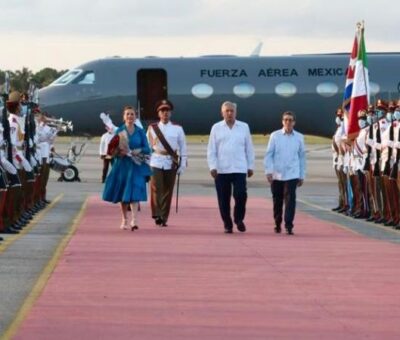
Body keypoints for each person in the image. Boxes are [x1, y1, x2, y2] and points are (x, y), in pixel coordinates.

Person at [207, 101, 255, 234]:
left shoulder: (244, 127)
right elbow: (211, 149)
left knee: (241, 195)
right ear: (222, 113)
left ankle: (238, 219)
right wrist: (213, 166)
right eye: (227, 111)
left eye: (232, 111)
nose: (229, 113)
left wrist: (250, 166)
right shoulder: (216, 128)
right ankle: (227, 223)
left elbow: (249, 148)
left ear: (236, 112)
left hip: (239, 167)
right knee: (223, 199)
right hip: (221, 169)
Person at [102, 106, 151, 231]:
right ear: (124, 117)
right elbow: (112, 149)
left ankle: (134, 220)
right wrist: (119, 152)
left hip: (136, 165)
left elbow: (147, 148)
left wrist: (139, 150)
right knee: (123, 193)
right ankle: (124, 219)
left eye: (132, 114)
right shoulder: (120, 131)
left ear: (135, 117)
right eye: (127, 114)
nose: (130, 116)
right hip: (122, 165)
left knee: (134, 192)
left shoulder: (140, 131)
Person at [147, 99, 187, 227]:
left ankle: (164, 217)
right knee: (156, 188)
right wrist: (145, 163)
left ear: (170, 113)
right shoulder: (152, 128)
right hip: (156, 160)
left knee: (168, 190)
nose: (165, 113)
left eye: (167, 111)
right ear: (158, 113)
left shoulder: (178, 129)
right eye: (162, 111)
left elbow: (183, 146)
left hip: (171, 161)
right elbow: (147, 146)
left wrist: (183, 163)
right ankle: (157, 213)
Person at [264, 111, 306, 235]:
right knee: (277, 200)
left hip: (292, 174)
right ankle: (277, 222)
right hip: (277, 174)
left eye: (290, 120)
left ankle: (289, 225)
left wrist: (301, 175)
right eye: (286, 120)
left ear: (294, 122)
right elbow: (269, 155)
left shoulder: (299, 137)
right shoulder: (275, 136)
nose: (288, 122)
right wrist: (268, 171)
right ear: (282, 122)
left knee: (290, 200)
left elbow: (302, 157)